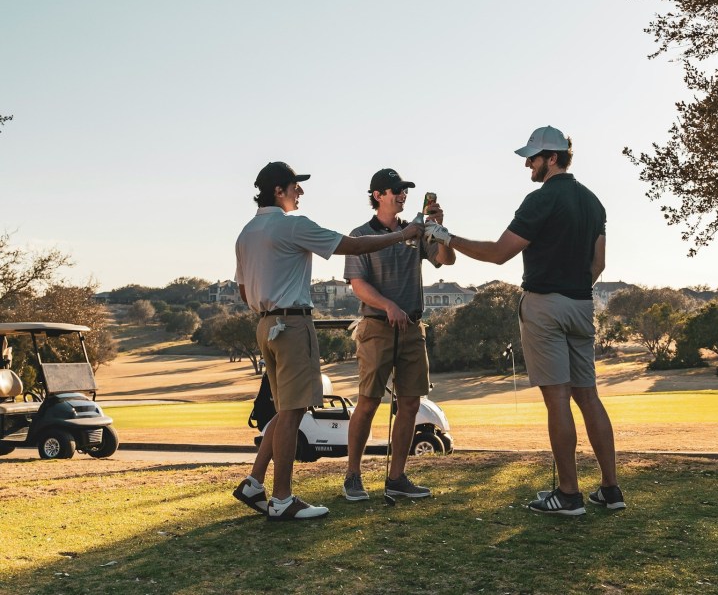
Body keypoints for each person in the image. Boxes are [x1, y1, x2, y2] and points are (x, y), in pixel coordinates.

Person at [424, 126, 625, 516]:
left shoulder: (541, 199)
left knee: (557, 400)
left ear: (551, 158)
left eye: (531, 158)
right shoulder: (593, 202)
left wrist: (446, 237)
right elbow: (598, 264)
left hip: (545, 306)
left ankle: (568, 495)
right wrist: (573, 290)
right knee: (588, 397)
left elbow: (500, 253)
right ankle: (610, 490)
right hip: (583, 305)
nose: (527, 164)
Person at [232, 161, 422, 521]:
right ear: (278, 190)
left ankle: (255, 483)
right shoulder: (291, 225)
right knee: (293, 412)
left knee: (284, 409)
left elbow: (244, 291)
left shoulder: (246, 232)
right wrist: (402, 235)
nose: (299, 192)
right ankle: (283, 498)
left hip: (264, 325)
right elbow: (352, 245)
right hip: (292, 325)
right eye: (294, 186)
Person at [341, 168, 455, 502]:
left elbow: (445, 261)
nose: (402, 195)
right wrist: (388, 305)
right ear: (377, 195)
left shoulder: (417, 231)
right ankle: (352, 476)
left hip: (412, 328)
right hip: (377, 327)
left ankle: (397, 478)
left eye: (404, 190)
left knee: (409, 403)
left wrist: (440, 230)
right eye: (395, 190)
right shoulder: (360, 234)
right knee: (368, 401)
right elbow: (358, 285)